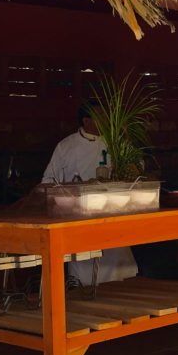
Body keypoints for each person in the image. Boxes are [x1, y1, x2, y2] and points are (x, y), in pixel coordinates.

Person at [42, 102, 138, 286]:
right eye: (100, 116)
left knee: (117, 260)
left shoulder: (116, 142)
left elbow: (136, 165)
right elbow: (48, 181)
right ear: (86, 121)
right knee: (85, 266)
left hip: (112, 210)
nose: (107, 120)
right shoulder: (67, 146)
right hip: (79, 214)